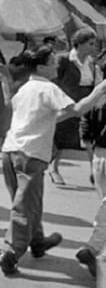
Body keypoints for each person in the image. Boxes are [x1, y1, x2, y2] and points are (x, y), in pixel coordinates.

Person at [0, 46, 106, 275]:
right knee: (24, 207)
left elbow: (51, 116)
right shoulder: (48, 88)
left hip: (11, 150)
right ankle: (10, 252)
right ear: (42, 67)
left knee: (28, 202)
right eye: (53, 62)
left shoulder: (26, 88)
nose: (57, 66)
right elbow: (77, 109)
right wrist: (99, 90)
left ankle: (37, 241)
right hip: (30, 154)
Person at [50, 28, 101, 185]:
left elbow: (96, 84)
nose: (94, 47)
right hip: (67, 102)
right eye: (90, 44)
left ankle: (95, 171)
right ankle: (54, 168)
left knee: (89, 137)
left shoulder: (93, 64)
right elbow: (54, 81)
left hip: (87, 103)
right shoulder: (64, 60)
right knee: (61, 137)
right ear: (79, 44)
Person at [76, 83, 106, 278]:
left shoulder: (96, 98)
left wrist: (92, 164)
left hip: (99, 156)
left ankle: (95, 250)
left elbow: (86, 138)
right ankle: (93, 248)